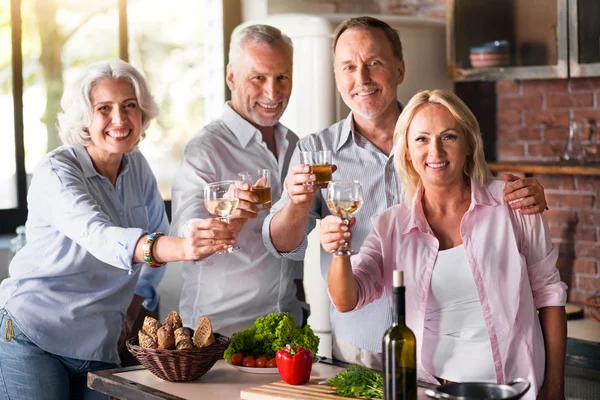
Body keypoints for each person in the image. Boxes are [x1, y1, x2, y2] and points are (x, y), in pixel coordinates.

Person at [263, 16, 549, 370]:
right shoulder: (316, 152)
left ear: (400, 68)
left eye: (374, 64)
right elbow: (283, 244)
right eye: (349, 67)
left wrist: (526, 194)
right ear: (337, 78)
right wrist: (296, 203)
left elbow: (482, 211)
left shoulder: (437, 139)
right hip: (362, 347)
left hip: (445, 349)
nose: (362, 79)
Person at [0, 60, 242, 400]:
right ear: (84, 118)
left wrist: (131, 309)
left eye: (130, 106)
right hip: (35, 333)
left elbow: (155, 237)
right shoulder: (57, 170)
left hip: (99, 341)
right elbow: (100, 235)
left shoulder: (137, 166)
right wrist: (185, 248)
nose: (120, 119)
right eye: (104, 109)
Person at [322, 89, 566, 399]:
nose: (435, 151)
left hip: (515, 389)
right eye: (421, 139)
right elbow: (347, 300)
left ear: (468, 144)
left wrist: (555, 388)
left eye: (448, 137)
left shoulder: (512, 204)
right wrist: (339, 251)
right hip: (432, 392)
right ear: (407, 151)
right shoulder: (390, 226)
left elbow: (550, 295)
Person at [170, 24, 307, 337]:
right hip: (216, 333)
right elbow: (185, 224)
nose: (272, 93)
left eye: (282, 77)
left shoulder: (295, 145)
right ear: (231, 76)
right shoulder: (205, 148)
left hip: (285, 326)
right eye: (258, 77)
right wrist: (219, 222)